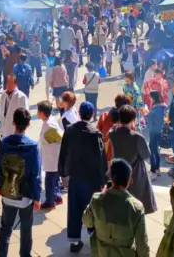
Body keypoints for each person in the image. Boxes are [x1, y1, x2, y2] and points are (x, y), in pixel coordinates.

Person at [58, 101, 108, 253]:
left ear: (79, 113)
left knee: (74, 208)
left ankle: (74, 241)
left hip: (75, 176)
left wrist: (63, 173)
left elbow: (64, 152)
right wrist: (103, 180)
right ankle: (93, 236)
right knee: (92, 209)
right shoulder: (95, 134)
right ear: (92, 115)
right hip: (91, 178)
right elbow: (101, 158)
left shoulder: (70, 130)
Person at [0, 107, 41, 257]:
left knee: (5, 229)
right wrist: (37, 197)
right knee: (26, 229)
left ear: (13, 123)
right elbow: (36, 175)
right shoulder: (33, 146)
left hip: (8, 192)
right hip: (25, 196)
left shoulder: (3, 142)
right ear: (28, 125)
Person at [82, 159, 151, 257]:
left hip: (101, 253)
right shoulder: (136, 207)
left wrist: (102, 195)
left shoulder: (97, 200)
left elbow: (87, 222)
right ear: (128, 180)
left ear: (111, 178)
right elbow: (142, 243)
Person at [109, 105, 157, 215]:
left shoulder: (113, 133)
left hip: (118, 172)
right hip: (135, 172)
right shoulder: (137, 137)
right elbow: (146, 155)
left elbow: (111, 129)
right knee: (137, 203)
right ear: (133, 119)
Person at [37, 100, 63, 210]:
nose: (37, 113)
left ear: (42, 112)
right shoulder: (50, 120)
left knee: (50, 182)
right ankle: (57, 197)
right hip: (52, 157)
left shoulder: (49, 125)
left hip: (52, 157)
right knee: (55, 180)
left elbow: (59, 138)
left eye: (38, 111)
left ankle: (50, 202)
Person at [0, 73, 29, 139]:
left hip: (15, 133)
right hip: (3, 131)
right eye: (7, 83)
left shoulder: (21, 97)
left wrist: (20, 131)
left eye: (10, 83)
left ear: (15, 84)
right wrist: (0, 125)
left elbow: (24, 117)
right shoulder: (3, 94)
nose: (8, 85)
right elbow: (0, 112)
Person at [146, 90, 167, 176]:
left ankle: (153, 169)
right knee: (156, 149)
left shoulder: (158, 108)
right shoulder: (161, 107)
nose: (150, 99)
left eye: (151, 97)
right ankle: (157, 168)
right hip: (157, 130)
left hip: (154, 130)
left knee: (152, 150)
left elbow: (155, 119)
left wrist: (147, 115)